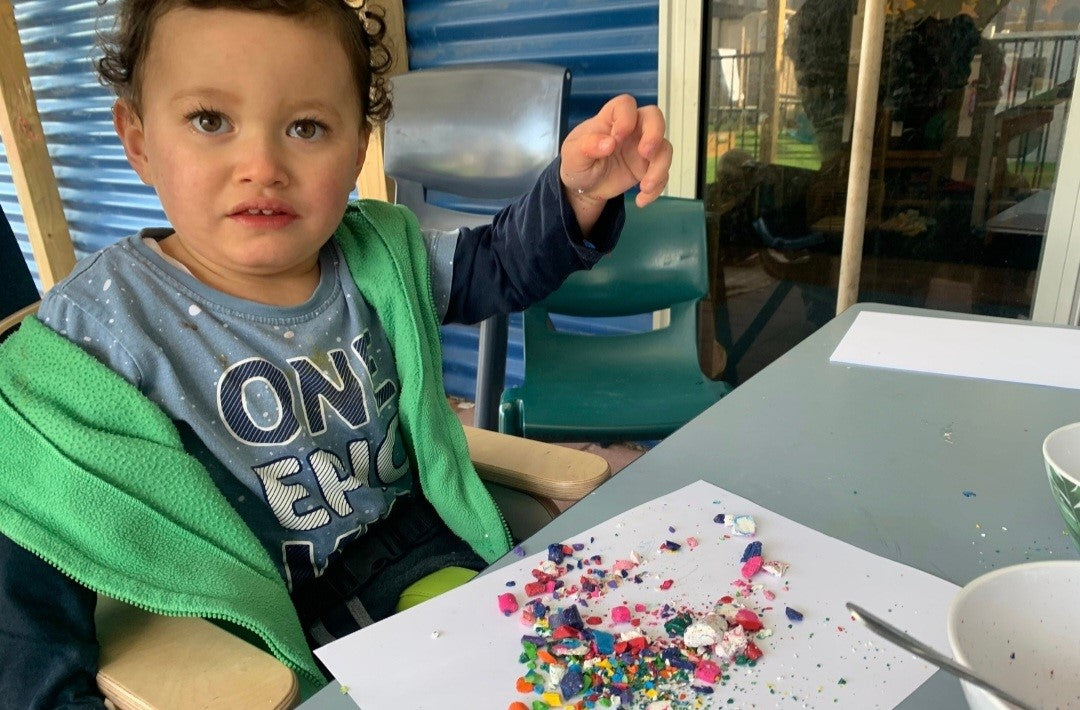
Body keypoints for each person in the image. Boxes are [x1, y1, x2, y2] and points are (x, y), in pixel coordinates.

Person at [0, 0, 672, 706]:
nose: (262, 164)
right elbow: (34, 532)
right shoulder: (99, 329)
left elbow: (499, 264)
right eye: (210, 121)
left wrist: (575, 194)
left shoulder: (374, 258)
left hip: (412, 561)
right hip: (249, 634)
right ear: (137, 140)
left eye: (307, 127)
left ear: (356, 150)